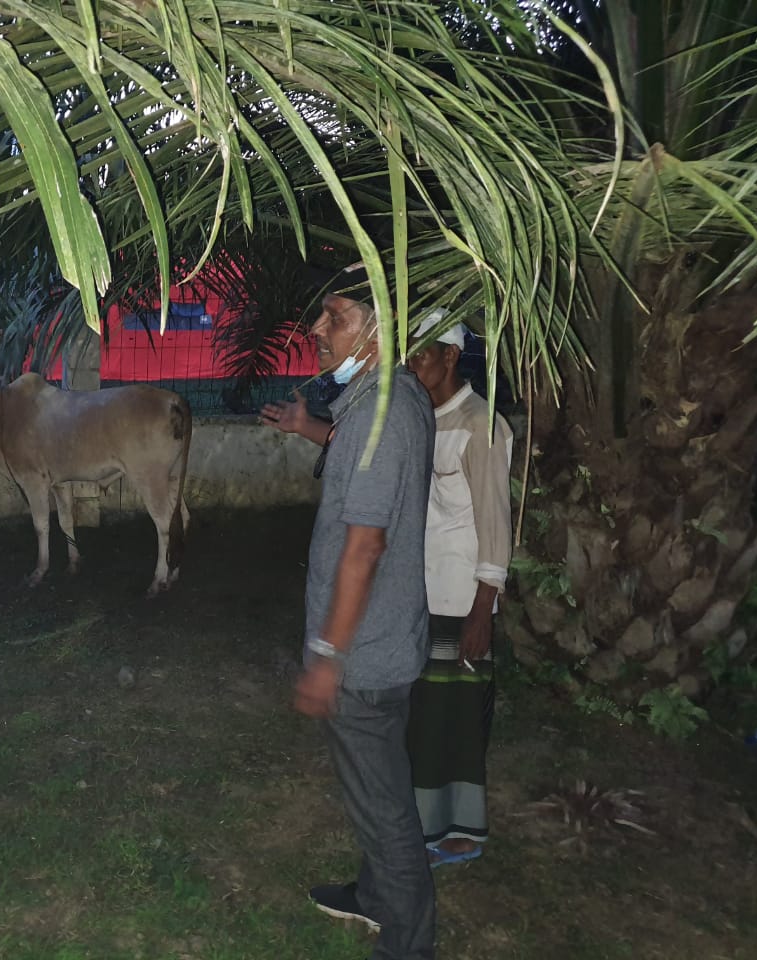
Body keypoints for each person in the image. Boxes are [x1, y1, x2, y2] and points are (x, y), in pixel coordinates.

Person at [263, 282, 437, 960]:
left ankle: (408, 947)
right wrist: (307, 427)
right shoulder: (384, 399)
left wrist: (329, 658)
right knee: (379, 789)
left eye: (336, 317)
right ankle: (373, 896)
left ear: (380, 328)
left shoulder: (380, 415)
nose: (317, 328)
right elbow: (355, 452)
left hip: (363, 656)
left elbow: (364, 546)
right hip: (386, 640)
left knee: (386, 813)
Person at [404, 310, 513, 866]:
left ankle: (461, 833)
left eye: (423, 352)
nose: (411, 361)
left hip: (460, 597)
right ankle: (426, 826)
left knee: (460, 721)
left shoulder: (480, 425)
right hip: (421, 594)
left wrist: (481, 609)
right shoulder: (424, 419)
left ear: (450, 356)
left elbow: (495, 523)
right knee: (428, 717)